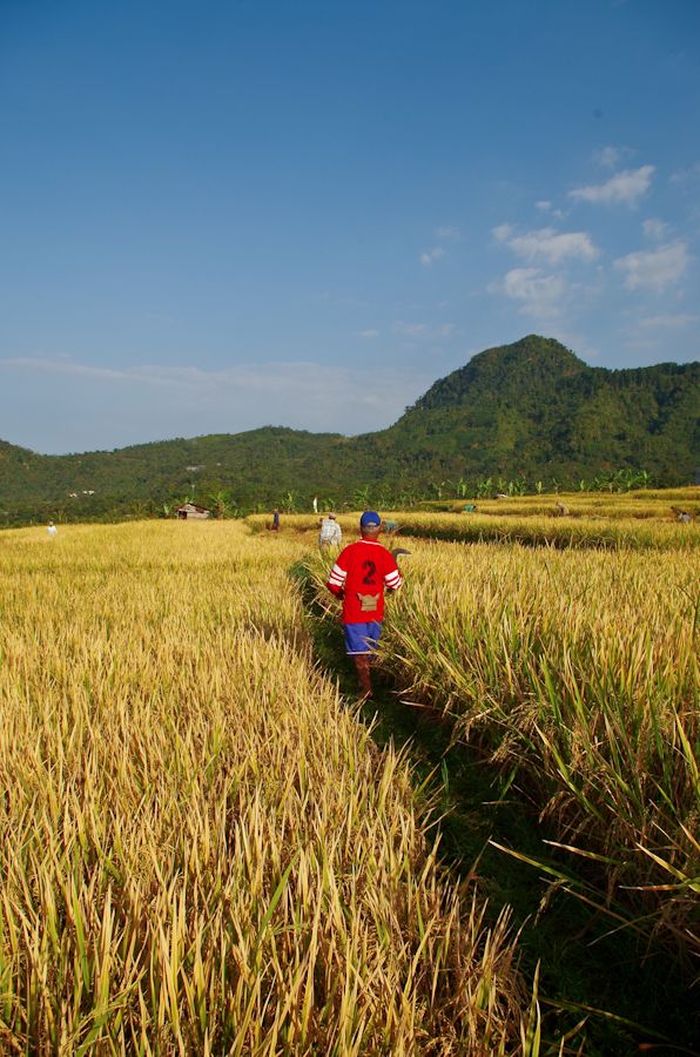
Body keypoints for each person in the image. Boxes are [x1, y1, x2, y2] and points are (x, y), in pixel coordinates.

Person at [326, 511, 403, 698]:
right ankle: (371, 684)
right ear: (379, 530)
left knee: (359, 652)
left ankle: (366, 688)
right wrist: (398, 575)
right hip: (375, 611)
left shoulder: (349, 552)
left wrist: (342, 595)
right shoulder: (384, 554)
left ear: (361, 529)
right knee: (371, 648)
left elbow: (333, 583)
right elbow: (396, 584)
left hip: (354, 610)